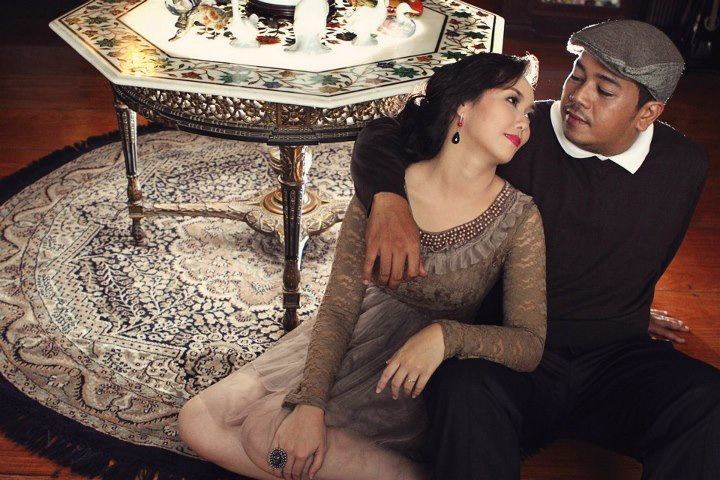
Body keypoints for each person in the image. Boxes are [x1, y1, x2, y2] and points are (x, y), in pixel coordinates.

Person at [350, 20, 719, 480]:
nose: (578, 96)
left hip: (617, 358)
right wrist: (388, 198)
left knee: (709, 403)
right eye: (577, 75)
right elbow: (383, 134)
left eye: (604, 90)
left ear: (647, 114)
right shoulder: (519, 133)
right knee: (462, 388)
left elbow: (636, 247)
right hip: (512, 350)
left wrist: (627, 308)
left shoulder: (684, 166)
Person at [177, 52, 546, 480]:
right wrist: (311, 402)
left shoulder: (520, 217)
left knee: (264, 437)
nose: (524, 123)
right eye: (512, 101)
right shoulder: (388, 188)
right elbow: (338, 307)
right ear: (463, 106)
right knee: (196, 422)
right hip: (353, 331)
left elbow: (529, 343)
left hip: (408, 375)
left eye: (529, 113)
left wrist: (446, 336)